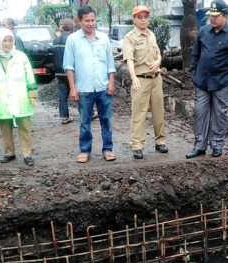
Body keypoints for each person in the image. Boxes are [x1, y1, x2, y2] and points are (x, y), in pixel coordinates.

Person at [186, 0, 228, 159]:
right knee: (200, 112)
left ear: (225, 16)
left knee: (220, 114)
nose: (212, 19)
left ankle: (217, 145)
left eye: (215, 16)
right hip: (202, 81)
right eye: (210, 16)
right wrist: (194, 72)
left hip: (223, 82)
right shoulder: (203, 32)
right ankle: (199, 146)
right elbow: (195, 55)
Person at [63, 6, 116, 163]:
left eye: (93, 20)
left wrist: (111, 83)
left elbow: (110, 65)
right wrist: (73, 88)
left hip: (103, 88)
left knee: (106, 120)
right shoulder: (73, 40)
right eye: (87, 21)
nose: (91, 23)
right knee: (85, 122)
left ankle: (108, 149)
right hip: (84, 89)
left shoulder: (103, 39)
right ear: (80, 21)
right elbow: (69, 67)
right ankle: (85, 150)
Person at [0, 28, 37, 166]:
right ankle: (9, 153)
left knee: (24, 126)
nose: (7, 43)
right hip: (1, 100)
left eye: (10, 40)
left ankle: (27, 154)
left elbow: (29, 77)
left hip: (21, 98)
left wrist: (32, 95)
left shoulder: (21, 57)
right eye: (4, 40)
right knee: (5, 127)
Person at [123, 5, 168, 160]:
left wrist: (158, 62)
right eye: (139, 17)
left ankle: (160, 141)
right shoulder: (130, 37)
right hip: (140, 80)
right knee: (139, 114)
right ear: (134, 19)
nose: (143, 20)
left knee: (158, 112)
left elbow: (158, 54)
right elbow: (129, 59)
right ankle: (137, 145)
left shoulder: (152, 35)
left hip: (156, 79)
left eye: (145, 17)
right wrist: (134, 78)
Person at [52, 18, 75, 125]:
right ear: (71, 28)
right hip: (70, 72)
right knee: (78, 92)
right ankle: (90, 113)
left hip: (59, 73)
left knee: (62, 96)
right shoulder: (72, 40)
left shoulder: (55, 41)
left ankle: (64, 117)